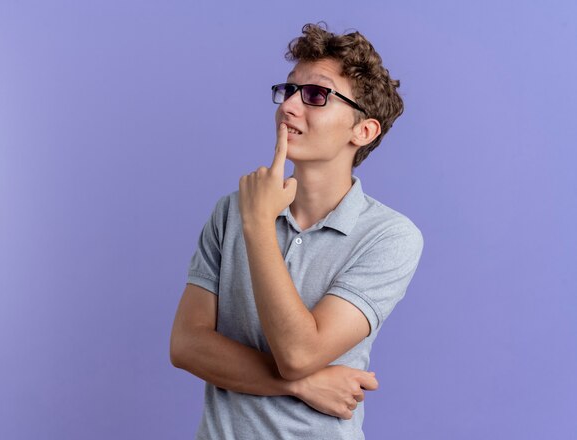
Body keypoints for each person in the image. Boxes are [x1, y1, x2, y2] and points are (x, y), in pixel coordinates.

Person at [170, 22, 424, 440]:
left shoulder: (390, 237)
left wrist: (258, 226)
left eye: (315, 95)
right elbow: (186, 345)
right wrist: (302, 384)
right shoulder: (231, 211)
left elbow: (299, 353)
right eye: (289, 90)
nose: (288, 107)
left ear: (363, 130)